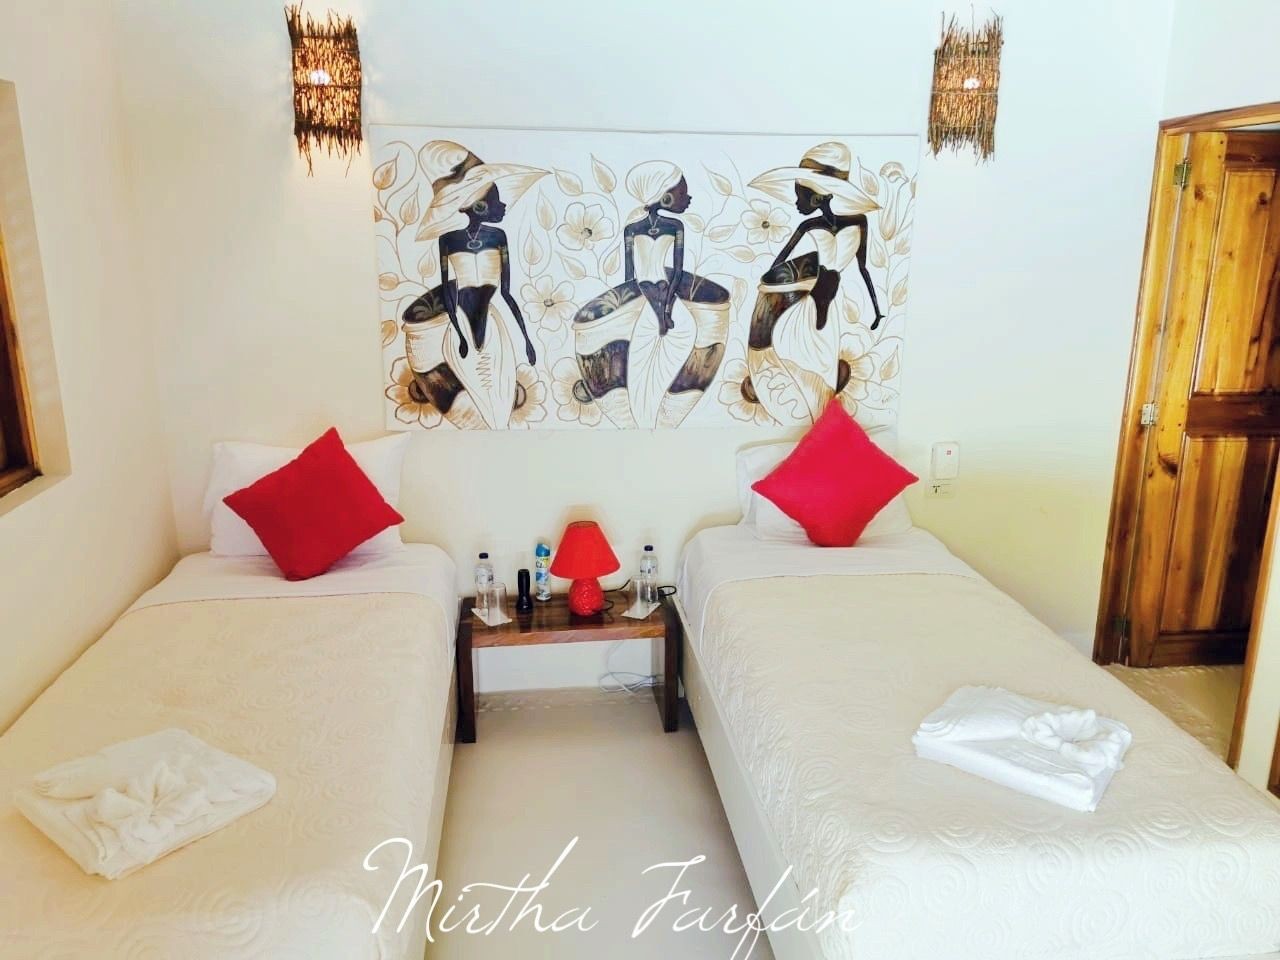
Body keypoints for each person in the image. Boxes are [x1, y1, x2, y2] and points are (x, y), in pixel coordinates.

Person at [572, 161, 730, 429]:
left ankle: (661, 415)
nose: (688, 198)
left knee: (677, 350)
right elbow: (630, 280)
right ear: (664, 195)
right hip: (647, 300)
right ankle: (646, 417)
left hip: (667, 300)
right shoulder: (636, 229)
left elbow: (675, 273)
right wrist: (652, 309)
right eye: (682, 192)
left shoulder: (674, 226)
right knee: (640, 363)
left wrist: (665, 309)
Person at [403, 142, 547, 429]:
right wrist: (459, 334)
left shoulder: (498, 238)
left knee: (499, 392)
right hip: (461, 330)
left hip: (493, 328)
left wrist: (526, 339)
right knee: (476, 393)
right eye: (496, 200)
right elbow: (448, 291)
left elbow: (506, 293)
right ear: (479, 206)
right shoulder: (448, 240)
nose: (503, 205)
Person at [743, 142, 883, 425]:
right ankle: (784, 397)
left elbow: (863, 268)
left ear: (818, 196)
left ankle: (806, 410)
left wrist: (877, 310)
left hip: (823, 308)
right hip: (812, 305)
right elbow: (776, 268)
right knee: (806, 361)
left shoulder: (829, 224)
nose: (796, 202)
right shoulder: (839, 224)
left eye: (800, 194)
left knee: (819, 363)